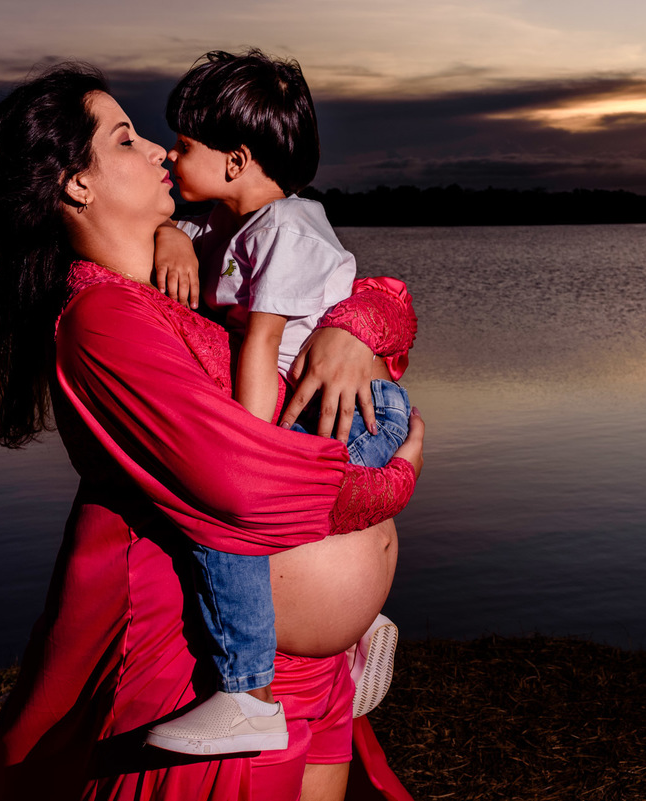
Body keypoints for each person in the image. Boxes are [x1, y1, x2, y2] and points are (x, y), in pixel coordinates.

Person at [0, 63, 423, 801]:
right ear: (75, 183)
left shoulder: (193, 265)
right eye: (125, 139)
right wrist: (388, 485)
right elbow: (238, 486)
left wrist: (353, 327)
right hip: (209, 661)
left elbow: (364, 291)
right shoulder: (102, 319)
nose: (158, 150)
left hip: (309, 662)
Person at [142, 50, 411, 756]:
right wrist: (170, 232)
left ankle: (247, 690)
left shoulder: (288, 229)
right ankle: (358, 624)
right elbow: (171, 231)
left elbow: (261, 347)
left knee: (231, 516)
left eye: (185, 144)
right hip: (319, 404)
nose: (170, 154)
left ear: (236, 160)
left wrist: (247, 454)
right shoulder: (228, 227)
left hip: (354, 408)